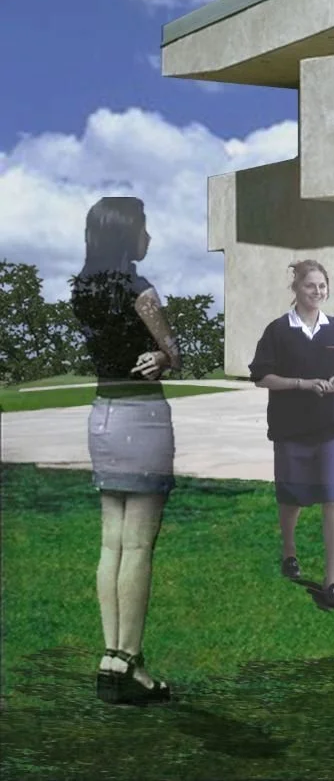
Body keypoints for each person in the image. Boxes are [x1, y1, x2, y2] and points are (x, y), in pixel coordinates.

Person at [70, 195, 179, 704]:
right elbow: (171, 353)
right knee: (137, 546)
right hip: (142, 417)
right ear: (124, 235)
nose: (149, 236)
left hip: (103, 416)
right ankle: (131, 661)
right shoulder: (141, 291)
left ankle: (109, 656)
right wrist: (164, 354)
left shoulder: (84, 292)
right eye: (143, 227)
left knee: (110, 542)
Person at [249, 259, 334, 607]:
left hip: (331, 424)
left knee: (332, 496)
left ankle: (331, 581)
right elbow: (261, 376)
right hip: (290, 426)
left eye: (322, 286)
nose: (318, 291)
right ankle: (289, 551)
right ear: (296, 288)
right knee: (292, 496)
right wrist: (302, 384)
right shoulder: (277, 331)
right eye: (311, 285)